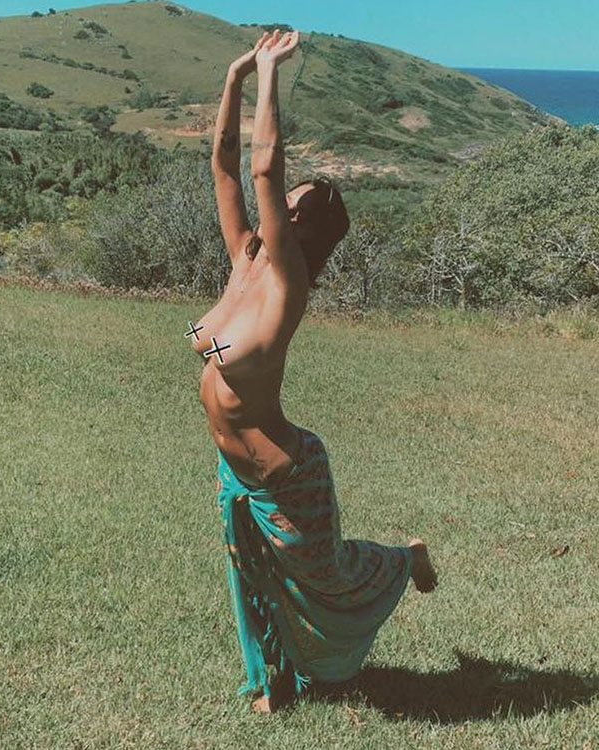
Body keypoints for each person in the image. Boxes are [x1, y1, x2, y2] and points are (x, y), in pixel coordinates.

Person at [189, 29, 438, 714]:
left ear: (307, 234)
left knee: (328, 577)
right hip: (234, 471)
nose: (280, 209)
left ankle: (404, 557)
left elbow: (264, 172)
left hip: (287, 476)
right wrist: (235, 76)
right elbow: (225, 166)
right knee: (254, 577)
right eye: (286, 203)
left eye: (293, 210)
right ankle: (277, 682)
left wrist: (271, 71)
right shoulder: (245, 261)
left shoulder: (286, 287)